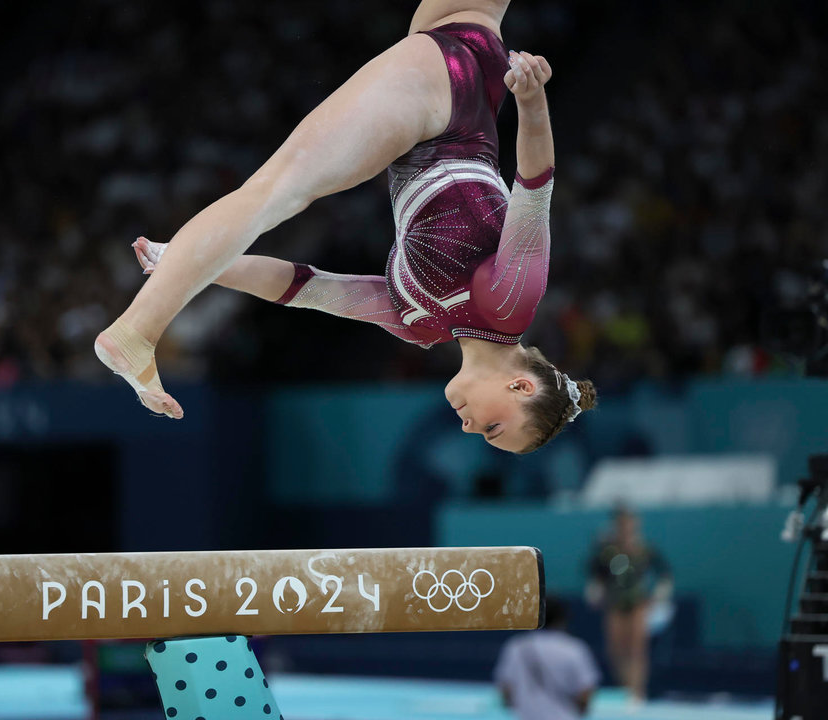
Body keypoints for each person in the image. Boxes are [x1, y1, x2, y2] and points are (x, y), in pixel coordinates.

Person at [96, 0, 597, 453]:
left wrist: (189, 263)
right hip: (447, 101)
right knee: (278, 190)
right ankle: (138, 331)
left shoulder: (419, 326)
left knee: (279, 190)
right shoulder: (511, 303)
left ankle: (146, 319)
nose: (468, 429)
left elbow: (304, 287)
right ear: (522, 386)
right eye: (492, 429)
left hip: (447, 87)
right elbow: (535, 187)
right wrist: (533, 105)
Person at [585, 506, 673, 703]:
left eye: (629, 523)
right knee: (615, 649)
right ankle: (625, 687)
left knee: (636, 649)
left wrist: (661, 592)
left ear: (635, 525)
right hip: (614, 602)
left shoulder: (644, 549)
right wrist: (594, 589)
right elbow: (595, 572)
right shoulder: (607, 550)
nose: (625, 527)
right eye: (621, 524)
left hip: (637, 602)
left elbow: (664, 572)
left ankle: (637, 692)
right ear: (616, 526)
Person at [494, 597, 600, 720]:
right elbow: (585, 694)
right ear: (562, 619)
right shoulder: (575, 649)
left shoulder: (516, 648)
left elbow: (506, 693)